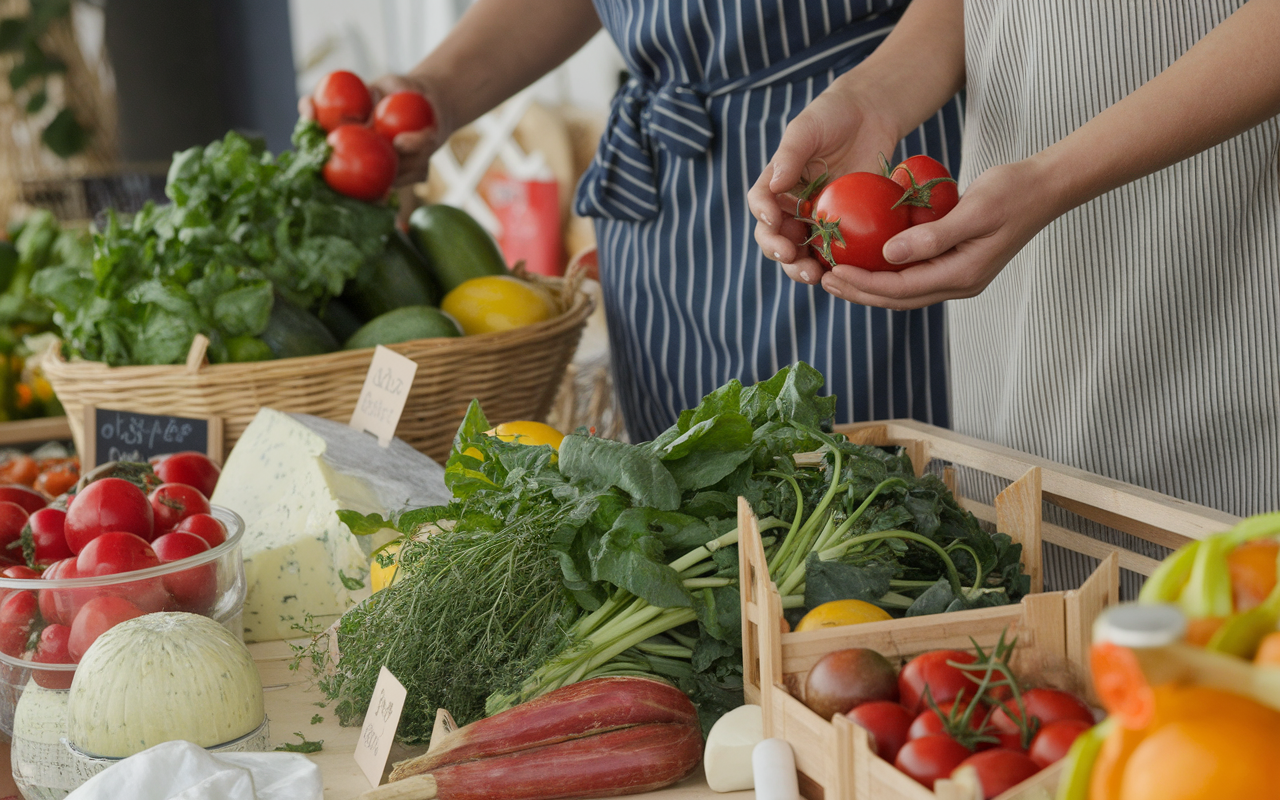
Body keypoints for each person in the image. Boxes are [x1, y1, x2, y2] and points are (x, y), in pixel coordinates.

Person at [750, 0, 1280, 584]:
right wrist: (868, 97)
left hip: (1207, 245)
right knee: (1035, 583)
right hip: (1014, 273)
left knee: (1213, 614)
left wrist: (1052, 179)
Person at [305, 0, 964, 443]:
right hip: (661, 195)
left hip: (850, 155)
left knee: (871, 518)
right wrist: (436, 92)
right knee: (684, 539)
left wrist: (874, 100)